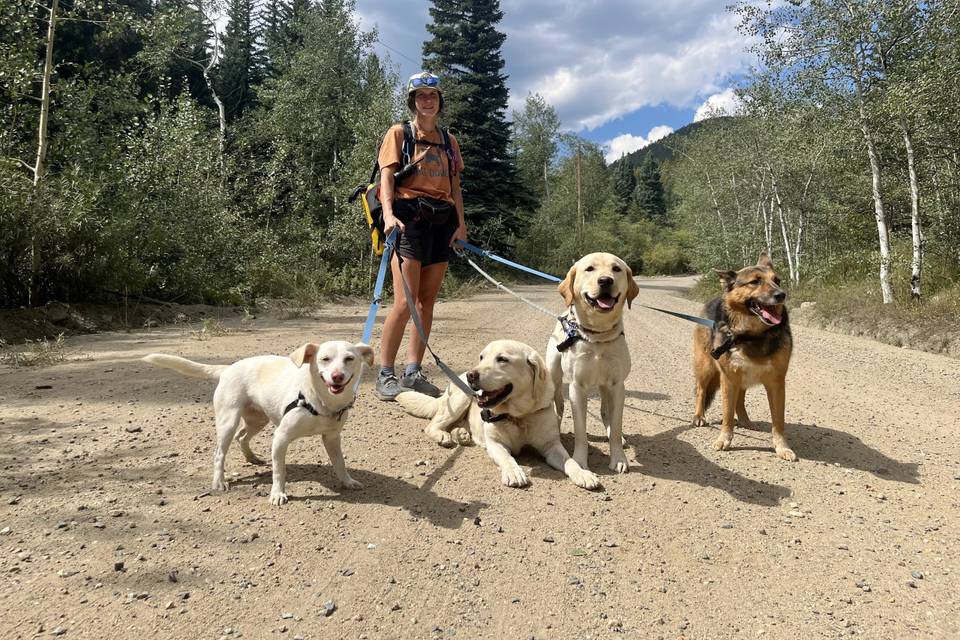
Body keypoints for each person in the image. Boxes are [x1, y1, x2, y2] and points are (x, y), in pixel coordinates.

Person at [374, 71, 467, 401]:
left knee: (427, 302)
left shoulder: (449, 141)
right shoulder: (399, 134)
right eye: (421, 95)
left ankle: (413, 371)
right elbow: (387, 178)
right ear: (413, 101)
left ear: (440, 101)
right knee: (404, 302)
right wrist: (387, 215)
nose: (428, 100)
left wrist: (460, 224)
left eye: (433, 95)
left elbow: (454, 186)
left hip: (442, 222)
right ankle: (385, 373)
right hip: (408, 219)